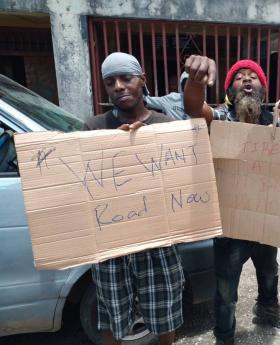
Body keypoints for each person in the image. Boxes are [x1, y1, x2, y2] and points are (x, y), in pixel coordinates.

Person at [183, 55, 280, 345]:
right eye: (239, 77)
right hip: (231, 227)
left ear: (263, 90)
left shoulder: (275, 121)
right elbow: (192, 108)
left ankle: (267, 311)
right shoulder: (219, 119)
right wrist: (195, 82)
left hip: (266, 219)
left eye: (254, 77)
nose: (247, 79)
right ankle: (224, 336)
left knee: (269, 272)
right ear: (229, 91)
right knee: (226, 288)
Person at [83, 52, 184, 345]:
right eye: (110, 81)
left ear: (142, 80)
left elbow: (180, 181)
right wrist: (116, 145)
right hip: (111, 245)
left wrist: (145, 145)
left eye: (126, 78)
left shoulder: (166, 126)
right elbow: (84, 186)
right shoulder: (93, 128)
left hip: (158, 240)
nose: (118, 86)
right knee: (111, 317)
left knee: (165, 312)